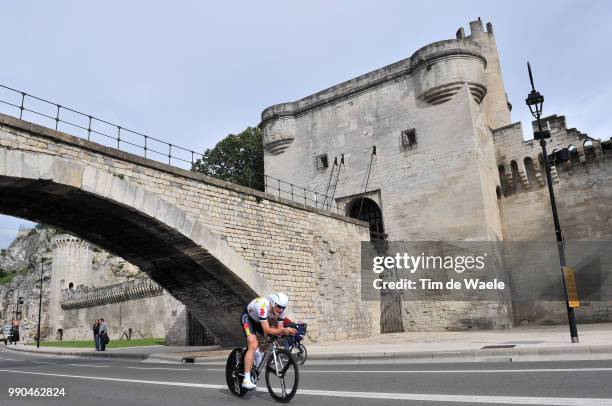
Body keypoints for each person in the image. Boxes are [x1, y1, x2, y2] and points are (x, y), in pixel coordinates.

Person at [240, 292, 296, 390]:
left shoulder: (280, 311)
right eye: (279, 306)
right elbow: (266, 330)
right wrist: (283, 330)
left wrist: (287, 331)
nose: (281, 309)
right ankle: (246, 379)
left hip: (260, 321)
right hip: (248, 318)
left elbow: (279, 329)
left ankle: (258, 355)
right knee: (253, 344)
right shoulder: (263, 305)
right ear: (273, 303)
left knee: (272, 338)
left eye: (283, 307)